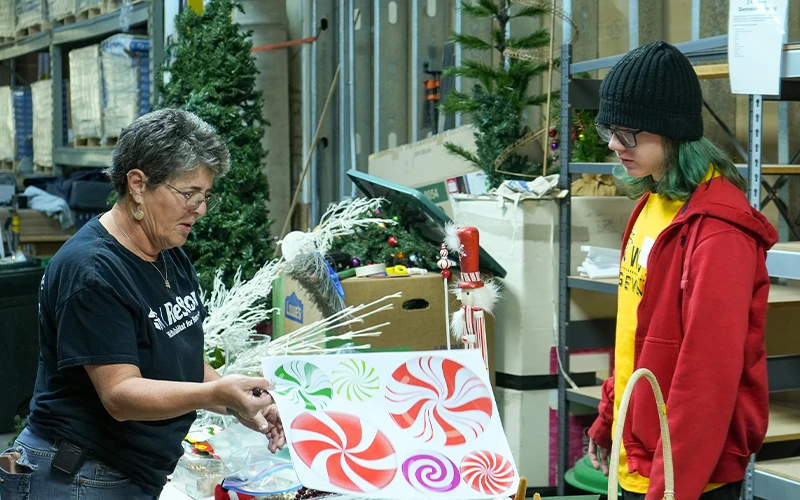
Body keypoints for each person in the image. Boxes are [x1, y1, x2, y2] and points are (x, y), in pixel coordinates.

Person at [0, 109, 286, 499]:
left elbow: (178, 357)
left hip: (129, 473)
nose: (200, 209)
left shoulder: (167, 248)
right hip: (80, 476)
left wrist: (241, 404)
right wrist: (216, 395)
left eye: (206, 197)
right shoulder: (91, 270)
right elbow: (119, 395)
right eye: (189, 194)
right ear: (138, 184)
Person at [585, 41, 777, 500]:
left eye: (629, 132)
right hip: (639, 459)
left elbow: (707, 378)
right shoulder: (653, 204)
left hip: (684, 479)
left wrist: (674, 486)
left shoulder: (718, 233)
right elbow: (635, 334)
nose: (614, 144)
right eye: (609, 129)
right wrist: (610, 416)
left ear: (671, 132)